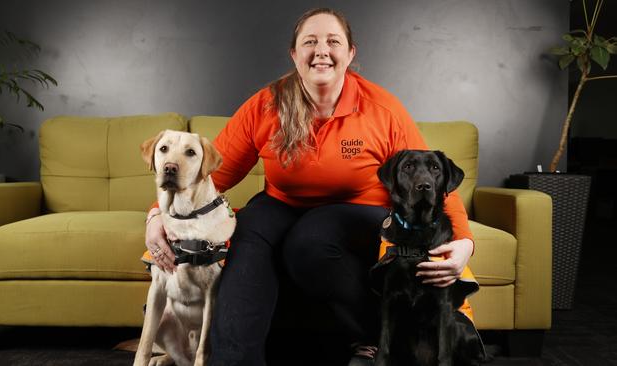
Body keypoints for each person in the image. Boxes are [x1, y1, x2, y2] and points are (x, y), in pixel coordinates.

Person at [144, 7, 474, 366]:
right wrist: (156, 217)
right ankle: (234, 360)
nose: (321, 50)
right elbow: (208, 175)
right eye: (310, 42)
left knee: (311, 238)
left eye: (333, 41)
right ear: (294, 54)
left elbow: (437, 183)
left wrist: (463, 244)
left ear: (350, 53)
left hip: (363, 209)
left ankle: (374, 337)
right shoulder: (266, 104)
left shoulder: (382, 109)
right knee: (247, 232)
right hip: (284, 203)